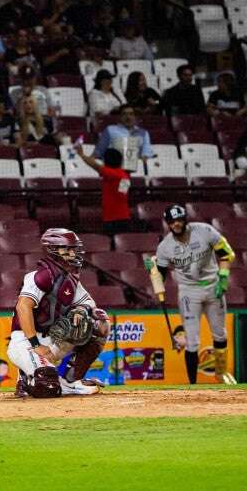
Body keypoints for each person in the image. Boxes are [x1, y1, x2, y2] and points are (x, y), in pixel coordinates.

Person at [7, 228, 110, 398]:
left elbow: (89, 304)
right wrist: (36, 345)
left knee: (99, 322)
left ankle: (71, 381)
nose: (72, 253)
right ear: (52, 250)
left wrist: (80, 310)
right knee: (47, 386)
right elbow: (23, 307)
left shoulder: (70, 278)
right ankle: (26, 380)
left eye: (73, 249)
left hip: (53, 338)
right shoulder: (40, 276)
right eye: (67, 249)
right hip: (26, 341)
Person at [152, 205, 236, 385]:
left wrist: (223, 277)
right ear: (168, 224)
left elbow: (227, 254)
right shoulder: (165, 247)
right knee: (191, 340)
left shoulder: (205, 231)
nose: (176, 224)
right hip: (189, 291)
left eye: (179, 219)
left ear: (185, 219)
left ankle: (221, 375)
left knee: (220, 334)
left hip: (213, 286)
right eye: (172, 221)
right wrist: (153, 270)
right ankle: (192, 385)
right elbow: (160, 274)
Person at [76, 147, 132, 235]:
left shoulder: (111, 173)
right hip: (124, 215)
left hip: (112, 218)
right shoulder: (124, 174)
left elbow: (95, 165)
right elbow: (122, 194)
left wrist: (82, 155)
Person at [93, 104, 154, 171]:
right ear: (119, 117)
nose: (128, 117)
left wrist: (144, 157)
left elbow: (146, 151)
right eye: (124, 114)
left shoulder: (143, 133)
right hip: (114, 169)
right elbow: (99, 152)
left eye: (131, 114)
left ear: (135, 117)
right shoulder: (110, 130)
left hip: (137, 169)